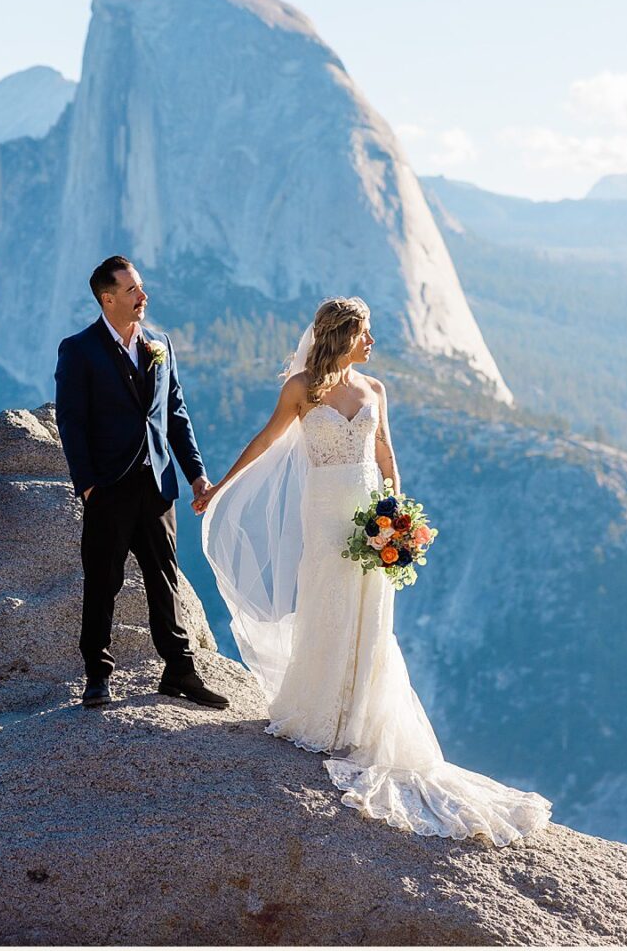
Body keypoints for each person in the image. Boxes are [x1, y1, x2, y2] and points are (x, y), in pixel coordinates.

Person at [197, 297, 550, 845]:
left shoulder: (375, 391)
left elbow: (386, 457)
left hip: (368, 515)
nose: (373, 342)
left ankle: (359, 717)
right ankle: (320, 711)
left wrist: (398, 516)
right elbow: (267, 441)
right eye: (366, 333)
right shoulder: (300, 389)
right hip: (324, 514)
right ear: (342, 337)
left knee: (370, 613)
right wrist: (221, 486)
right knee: (326, 602)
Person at [53, 255, 228, 710]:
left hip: (157, 485)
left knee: (164, 577)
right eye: (132, 290)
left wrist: (195, 474)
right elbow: (72, 423)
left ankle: (179, 671)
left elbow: (176, 414)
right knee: (103, 580)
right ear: (107, 298)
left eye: (141, 287)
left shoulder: (159, 344)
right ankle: (97, 674)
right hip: (108, 487)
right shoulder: (78, 349)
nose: (143, 296)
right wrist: (87, 485)